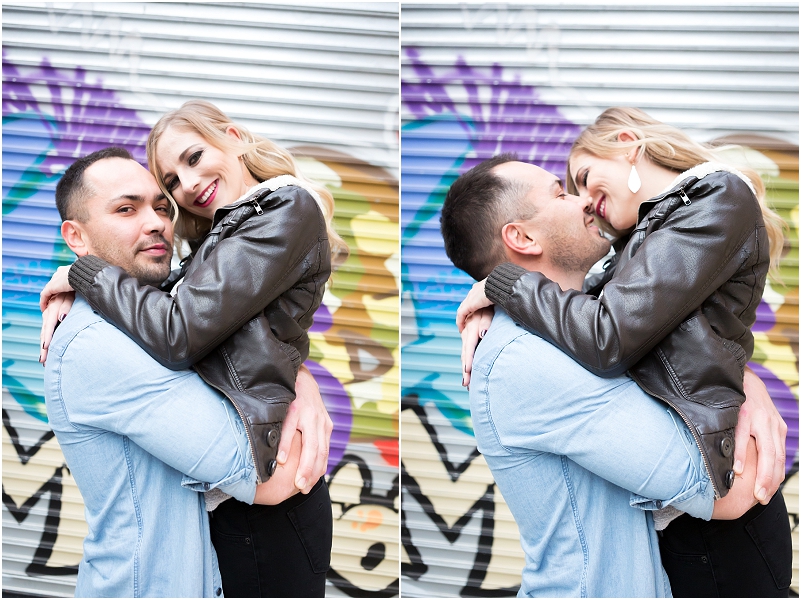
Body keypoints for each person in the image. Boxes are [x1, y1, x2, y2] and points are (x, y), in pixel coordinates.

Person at [456, 108, 792, 597]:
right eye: (563, 192)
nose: (584, 203)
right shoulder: (528, 353)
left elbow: (635, 333)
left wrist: (747, 382)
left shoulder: (710, 198)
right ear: (522, 237)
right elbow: (618, 332)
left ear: (627, 143)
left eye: (582, 180)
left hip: (718, 544)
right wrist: (500, 289)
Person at [39, 100, 346, 597]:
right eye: (128, 208)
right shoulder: (103, 333)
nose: (163, 215)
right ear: (76, 234)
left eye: (161, 206)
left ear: (234, 137)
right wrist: (81, 276)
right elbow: (197, 325)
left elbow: (186, 330)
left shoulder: (283, 208)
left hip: (268, 515)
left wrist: (84, 274)